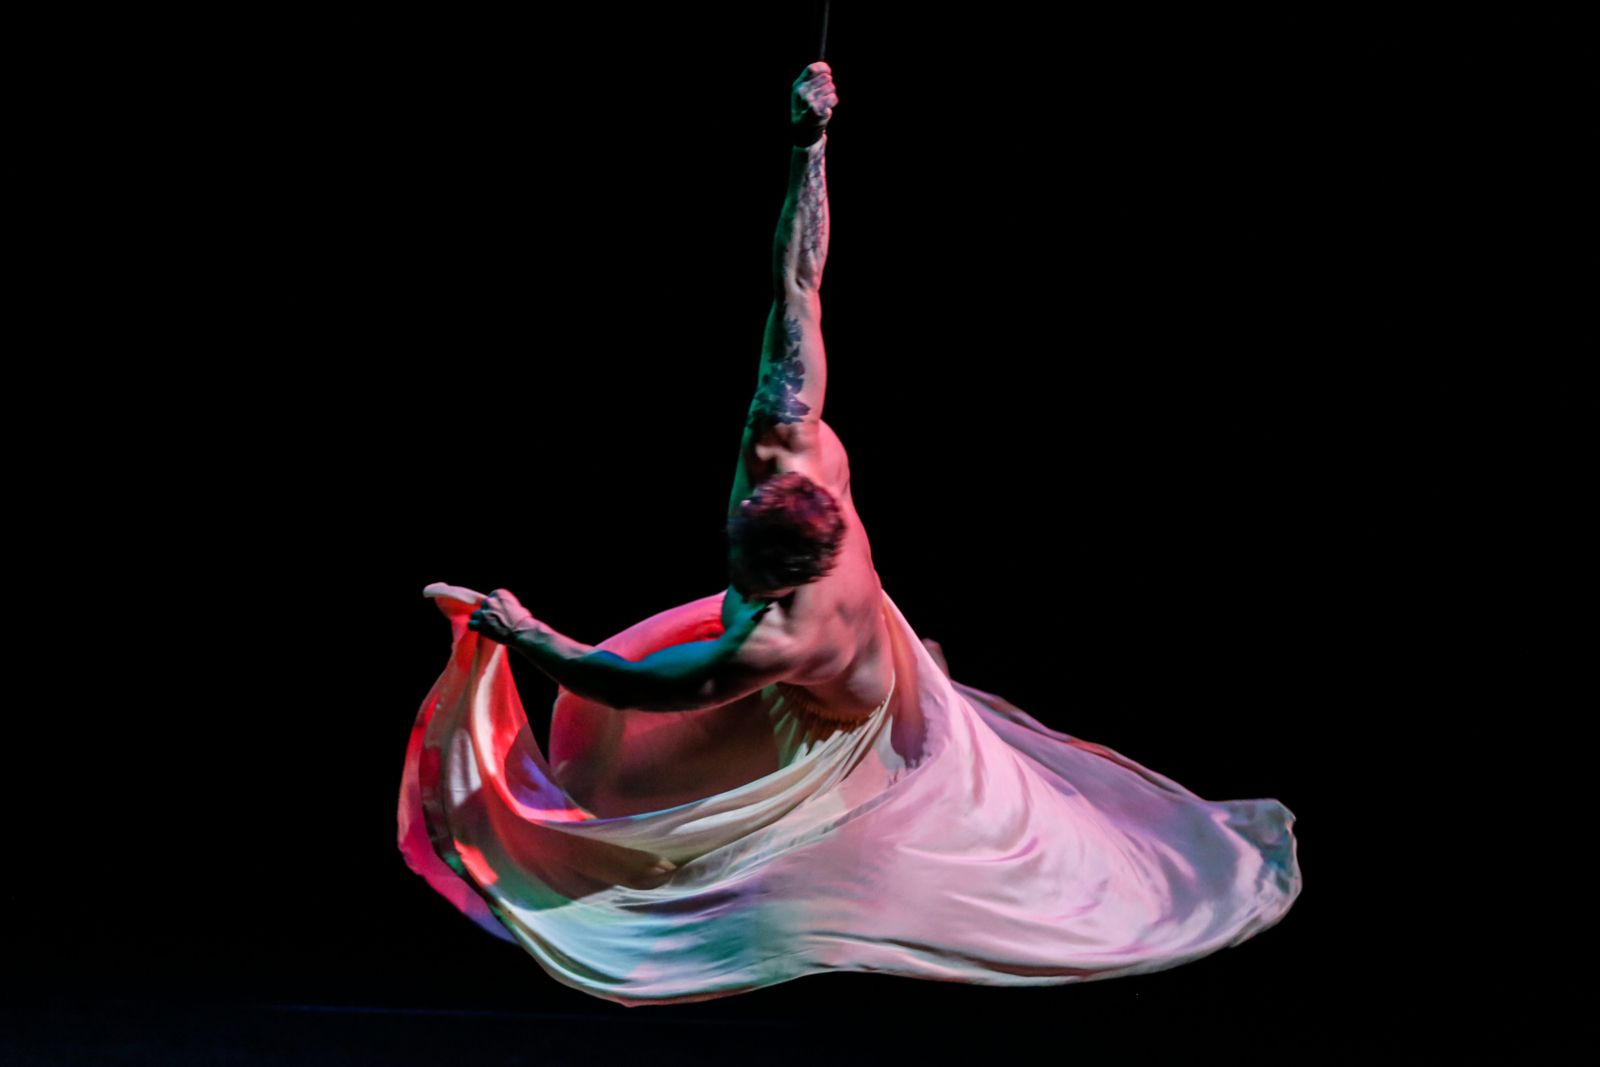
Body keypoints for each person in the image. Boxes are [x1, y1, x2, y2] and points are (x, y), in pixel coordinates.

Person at [398, 63, 1302, 1007]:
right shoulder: (790, 436)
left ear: (785, 579)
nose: (737, 541)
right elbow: (799, 281)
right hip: (833, 650)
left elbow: (631, 686)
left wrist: (525, 632)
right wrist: (810, 140)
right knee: (649, 739)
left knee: (685, 816)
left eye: (751, 563)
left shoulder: (779, 639)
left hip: (834, 712)